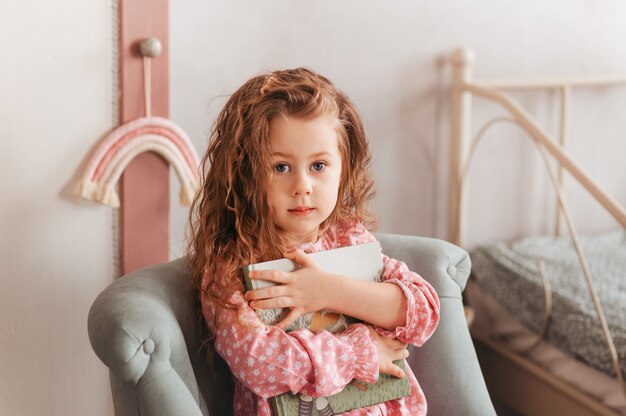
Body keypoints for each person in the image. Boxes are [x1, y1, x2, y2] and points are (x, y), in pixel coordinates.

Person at [188, 67, 440, 416]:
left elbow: (422, 312)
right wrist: (362, 351)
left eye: (319, 165)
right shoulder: (234, 263)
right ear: (246, 173)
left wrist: (328, 291)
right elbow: (259, 362)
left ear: (344, 169)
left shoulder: (348, 239)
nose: (302, 185)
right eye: (280, 167)